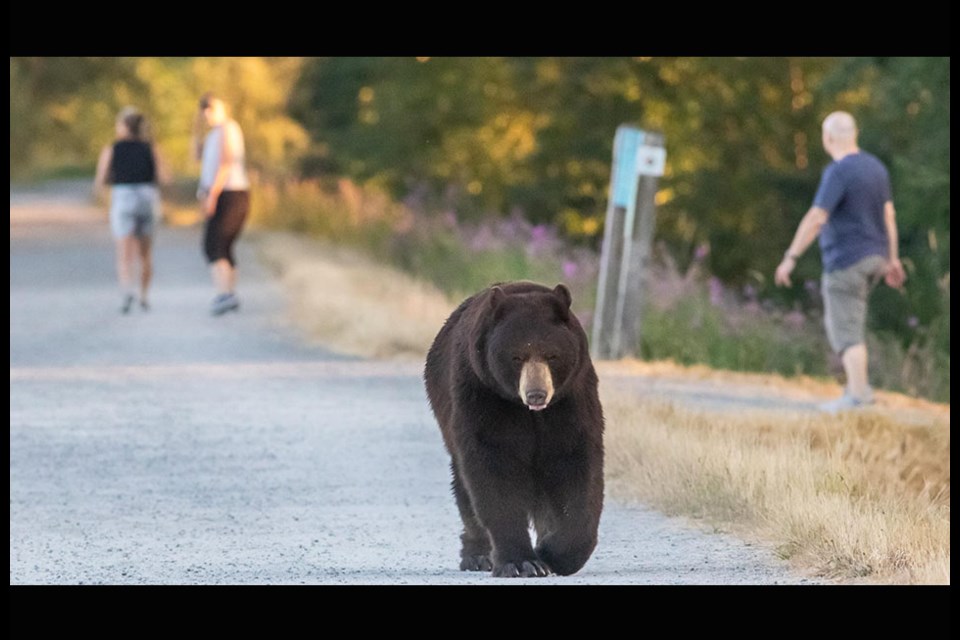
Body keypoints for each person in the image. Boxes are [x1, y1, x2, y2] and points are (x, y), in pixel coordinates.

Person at [774, 111, 907, 413]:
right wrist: (893, 260)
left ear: (827, 138)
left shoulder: (838, 171)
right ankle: (857, 388)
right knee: (854, 321)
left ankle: (858, 398)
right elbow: (889, 217)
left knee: (846, 331)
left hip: (846, 260)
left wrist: (790, 257)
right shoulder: (876, 168)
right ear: (855, 134)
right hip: (875, 258)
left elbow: (817, 217)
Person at [94, 106, 170, 313]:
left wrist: (104, 204)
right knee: (145, 253)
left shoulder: (112, 149)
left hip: (123, 198)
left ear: (125, 126)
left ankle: (127, 291)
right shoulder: (151, 148)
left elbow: (100, 180)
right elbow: (165, 178)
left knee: (124, 253)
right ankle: (144, 296)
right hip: (147, 198)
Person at [192, 92, 251, 316]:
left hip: (229, 194)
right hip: (225, 193)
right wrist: (196, 128)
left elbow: (226, 163)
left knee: (213, 244)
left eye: (211, 108)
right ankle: (229, 294)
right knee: (224, 245)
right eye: (203, 109)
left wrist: (212, 196)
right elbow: (196, 157)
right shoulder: (213, 134)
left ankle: (225, 294)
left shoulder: (227, 128)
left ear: (222, 108)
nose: (207, 113)